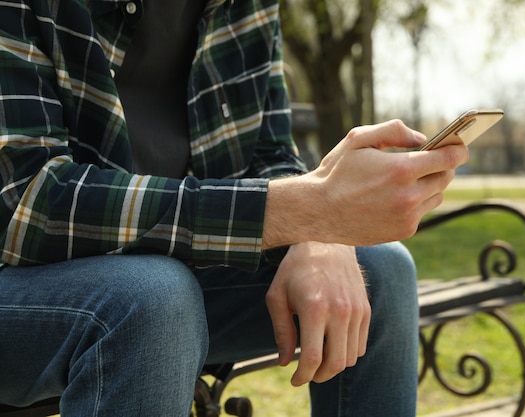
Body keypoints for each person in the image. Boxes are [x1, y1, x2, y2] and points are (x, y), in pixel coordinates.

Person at [0, 0, 468, 416]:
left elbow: (270, 156)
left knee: (380, 270)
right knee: (151, 297)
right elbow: (31, 201)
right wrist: (306, 208)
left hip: (172, 284)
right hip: (30, 288)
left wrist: (323, 232)